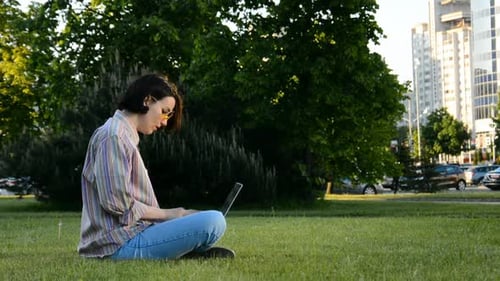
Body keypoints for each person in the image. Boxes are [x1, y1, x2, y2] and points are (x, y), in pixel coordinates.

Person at [77, 74, 234, 260]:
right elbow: (117, 204)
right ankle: (181, 251)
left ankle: (180, 251)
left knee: (211, 219)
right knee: (213, 221)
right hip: (116, 245)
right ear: (147, 100)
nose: (165, 122)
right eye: (165, 111)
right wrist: (173, 214)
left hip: (131, 236)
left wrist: (174, 217)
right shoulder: (113, 137)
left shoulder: (123, 136)